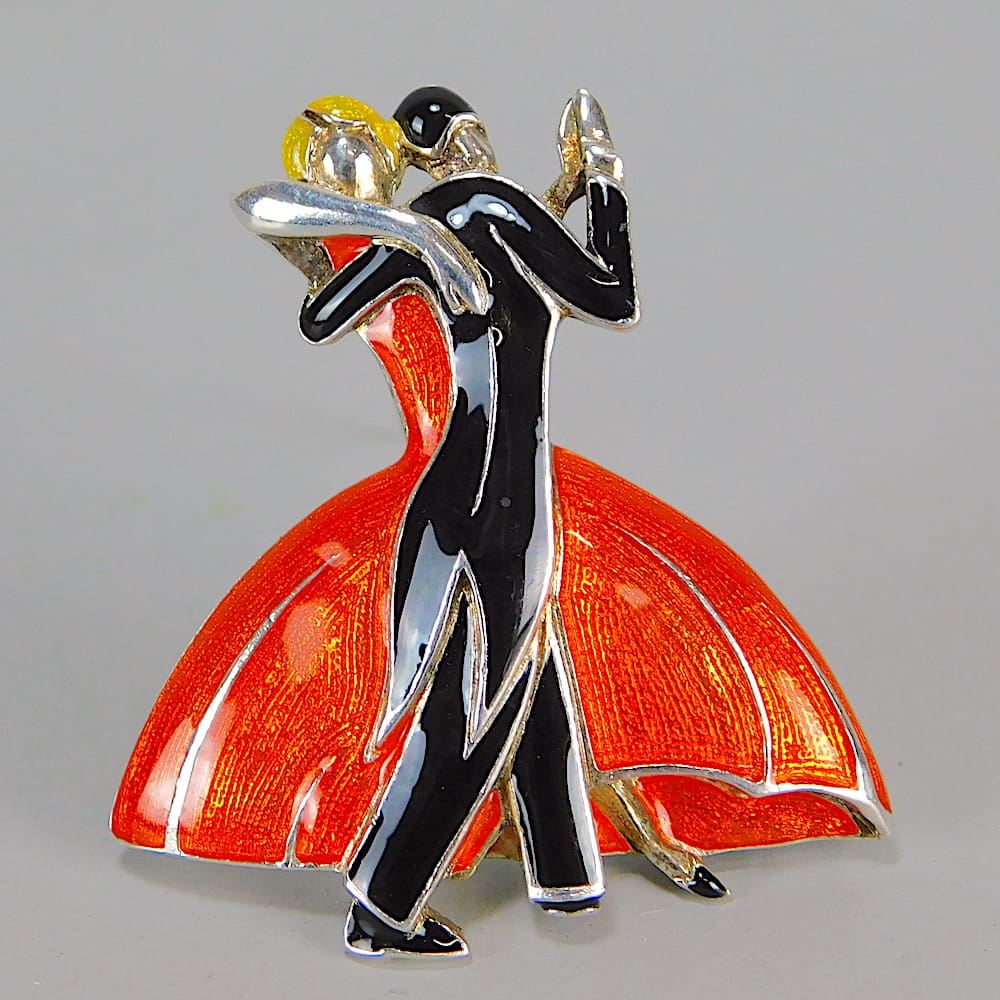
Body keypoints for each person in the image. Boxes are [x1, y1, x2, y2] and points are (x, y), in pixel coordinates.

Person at [112, 90, 890, 962]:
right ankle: (383, 904)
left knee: (527, 671)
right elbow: (612, 294)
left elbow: (320, 314)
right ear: (464, 139)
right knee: (473, 699)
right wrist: (602, 183)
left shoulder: (460, 219)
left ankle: (563, 870)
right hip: (500, 497)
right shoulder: (481, 208)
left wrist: (423, 230)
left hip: (457, 493)